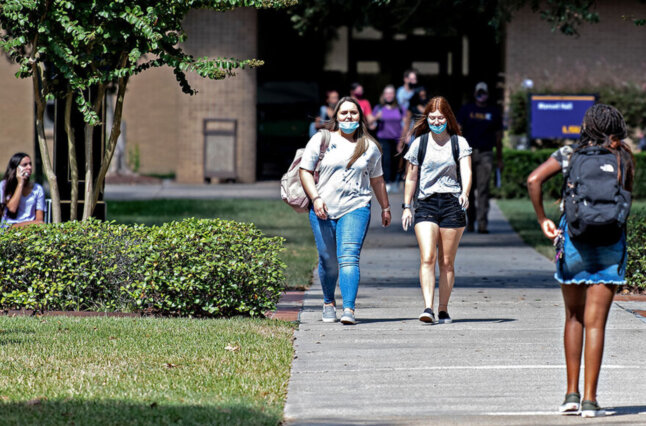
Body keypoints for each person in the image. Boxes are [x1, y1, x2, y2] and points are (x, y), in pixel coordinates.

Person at [527, 104, 635, 417]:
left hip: (573, 240)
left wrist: (542, 219)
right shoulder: (623, 157)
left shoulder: (567, 155)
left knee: (573, 316)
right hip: (611, 243)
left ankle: (570, 395)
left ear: (587, 126)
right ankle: (591, 400)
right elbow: (624, 200)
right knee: (596, 323)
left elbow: (534, 180)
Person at [299, 96, 391, 325]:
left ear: (360, 117)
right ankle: (329, 301)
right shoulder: (322, 139)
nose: (349, 117)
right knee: (328, 259)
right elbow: (305, 171)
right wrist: (316, 198)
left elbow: (378, 180)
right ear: (336, 117)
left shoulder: (369, 146)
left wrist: (386, 207)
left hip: (356, 207)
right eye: (344, 113)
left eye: (353, 113)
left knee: (349, 257)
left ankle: (349, 309)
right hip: (323, 207)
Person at [401, 97, 472, 324]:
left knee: (447, 262)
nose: (436, 121)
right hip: (426, 203)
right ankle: (428, 307)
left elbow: (467, 170)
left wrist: (465, 193)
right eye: (432, 117)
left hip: (452, 203)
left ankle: (443, 308)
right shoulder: (419, 143)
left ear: (448, 118)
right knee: (428, 257)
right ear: (427, 118)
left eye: (440, 117)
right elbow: (411, 176)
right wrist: (406, 207)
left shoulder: (458, 143)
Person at [457, 82, 503, 233]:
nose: (481, 95)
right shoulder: (467, 110)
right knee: (468, 189)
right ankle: (470, 221)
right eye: (479, 92)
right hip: (468, 154)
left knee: (483, 190)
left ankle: (483, 223)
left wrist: (500, 158)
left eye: (484, 92)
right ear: (475, 93)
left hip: (486, 154)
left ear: (488, 94)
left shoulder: (494, 112)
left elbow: (498, 137)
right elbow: (458, 131)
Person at [370, 85, 405, 190]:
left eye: (391, 93)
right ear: (383, 95)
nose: (389, 95)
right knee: (386, 160)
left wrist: (403, 139)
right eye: (387, 93)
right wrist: (376, 117)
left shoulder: (400, 108)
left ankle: (394, 182)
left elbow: (405, 123)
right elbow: (370, 123)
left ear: (394, 95)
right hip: (383, 138)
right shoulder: (379, 108)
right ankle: (387, 182)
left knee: (396, 161)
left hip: (397, 139)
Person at [0, 153, 45, 227]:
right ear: (16, 168)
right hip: (10, 226)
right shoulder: (4, 185)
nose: (29, 167)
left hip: (30, 227)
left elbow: (39, 219)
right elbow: (12, 209)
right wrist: (20, 183)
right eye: (25, 165)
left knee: (40, 224)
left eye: (30, 164)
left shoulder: (38, 189)